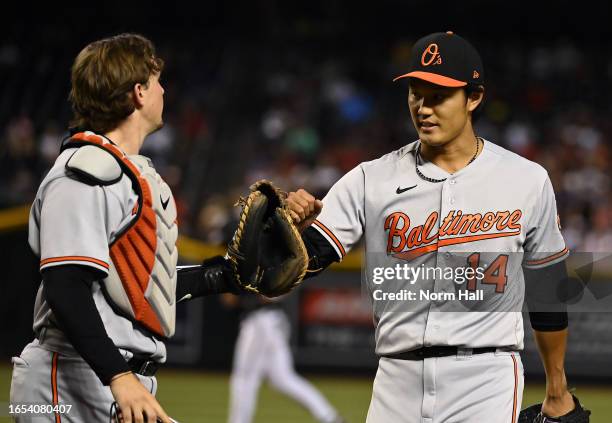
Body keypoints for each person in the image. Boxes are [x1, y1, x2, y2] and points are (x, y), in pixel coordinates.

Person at [285, 32, 576, 422]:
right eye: (415, 94)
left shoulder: (526, 179)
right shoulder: (371, 178)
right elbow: (289, 270)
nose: (423, 108)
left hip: (486, 376)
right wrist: (285, 232)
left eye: (438, 95)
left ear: (474, 98)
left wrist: (557, 388)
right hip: (395, 378)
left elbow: (547, 292)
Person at [10, 33, 241, 423]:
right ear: (138, 92)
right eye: (156, 81)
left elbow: (135, 288)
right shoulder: (83, 173)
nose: (164, 90)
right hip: (68, 382)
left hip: (110, 378)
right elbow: (66, 285)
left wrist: (221, 275)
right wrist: (118, 376)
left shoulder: (124, 172)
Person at [222, 293, 344, 423]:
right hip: (272, 322)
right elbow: (229, 299)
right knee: (283, 379)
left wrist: (239, 292)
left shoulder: (259, 274)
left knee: (244, 380)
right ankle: (329, 417)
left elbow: (267, 294)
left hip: (259, 323)